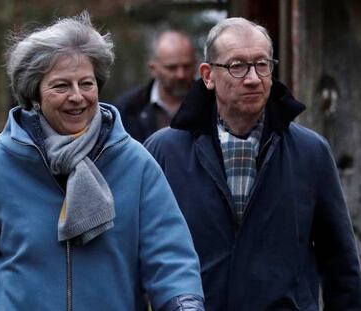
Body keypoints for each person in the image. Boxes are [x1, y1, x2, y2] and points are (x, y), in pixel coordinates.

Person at [0, 12, 205, 311]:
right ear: (35, 95)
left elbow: (171, 258)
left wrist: (184, 305)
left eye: (87, 83)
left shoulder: (135, 163)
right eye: (61, 86)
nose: (77, 97)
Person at [144, 17, 361, 311]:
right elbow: (140, 255)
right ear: (208, 75)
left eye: (262, 64)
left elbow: (341, 266)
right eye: (237, 66)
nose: (253, 78)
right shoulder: (165, 151)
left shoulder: (310, 152)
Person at [114, 30, 197, 142]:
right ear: (153, 69)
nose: (180, 75)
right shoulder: (128, 108)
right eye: (172, 68)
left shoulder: (211, 103)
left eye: (187, 66)